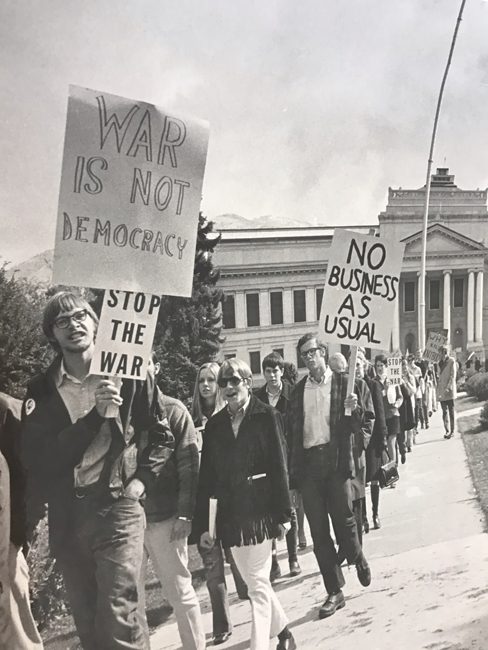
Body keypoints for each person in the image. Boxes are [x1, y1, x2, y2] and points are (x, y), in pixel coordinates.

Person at [20, 291, 178, 650]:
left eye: (80, 316)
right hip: (69, 518)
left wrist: (140, 481)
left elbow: (161, 435)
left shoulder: (130, 374)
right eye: (62, 321)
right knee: (90, 627)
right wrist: (96, 417)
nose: (74, 325)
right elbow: (41, 460)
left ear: (96, 323)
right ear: (52, 334)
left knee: (117, 616)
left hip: (116, 509)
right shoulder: (41, 390)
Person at [194, 359, 296, 650]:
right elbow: (207, 479)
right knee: (254, 585)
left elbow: (280, 467)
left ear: (248, 383)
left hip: (261, 514)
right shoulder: (213, 427)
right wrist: (205, 525)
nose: (228, 387)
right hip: (231, 520)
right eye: (224, 382)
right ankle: (286, 635)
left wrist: (284, 515)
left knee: (259, 586)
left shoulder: (267, 416)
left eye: (235, 381)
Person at [286, 333, 374, 620]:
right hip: (310, 466)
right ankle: (335, 590)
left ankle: (358, 556)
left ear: (323, 352)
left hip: (335, 464)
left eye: (312, 352)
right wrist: (294, 478)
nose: (308, 358)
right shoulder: (298, 392)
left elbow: (353, 426)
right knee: (319, 533)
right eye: (304, 354)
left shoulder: (341, 384)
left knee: (346, 522)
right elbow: (292, 435)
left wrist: (354, 407)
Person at [137, 356, 206, 650]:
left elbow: (189, 469)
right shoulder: (116, 413)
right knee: (131, 602)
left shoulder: (174, 411)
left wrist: (185, 515)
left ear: (156, 366)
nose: (139, 370)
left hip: (165, 518)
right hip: (128, 520)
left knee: (179, 591)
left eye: (145, 362)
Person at [189, 361, 246, 645]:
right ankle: (221, 623)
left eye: (212, 380)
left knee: (239, 563)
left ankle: (257, 607)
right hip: (203, 502)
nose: (207, 386)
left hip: (229, 499)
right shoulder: (189, 420)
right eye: (202, 381)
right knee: (212, 566)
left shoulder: (230, 416)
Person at [1, 392, 43, 649]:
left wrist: (17, 539)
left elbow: (30, 482)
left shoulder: (9, 412)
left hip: (7, 545)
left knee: (15, 632)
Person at [254, 352, 301, 579]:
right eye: (268, 371)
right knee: (269, 512)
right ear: (264, 373)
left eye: (276, 370)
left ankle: (292, 558)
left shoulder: (292, 395)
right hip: (266, 461)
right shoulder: (257, 398)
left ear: (282, 371)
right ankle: (273, 561)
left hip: (289, 459)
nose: (272, 375)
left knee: (288, 508)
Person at [357, 354, 388, 531]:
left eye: (359, 365)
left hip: (374, 439)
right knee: (360, 481)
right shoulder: (349, 387)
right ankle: (363, 518)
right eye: (354, 366)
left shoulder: (373, 385)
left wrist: (383, 437)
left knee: (375, 479)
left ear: (365, 366)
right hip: (358, 441)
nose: (357, 369)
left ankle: (375, 514)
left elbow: (380, 412)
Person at [374, 354, 403, 466]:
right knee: (385, 444)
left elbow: (400, 396)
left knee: (391, 441)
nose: (380, 368)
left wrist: (397, 403)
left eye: (382, 365)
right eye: (377, 366)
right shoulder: (374, 382)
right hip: (381, 417)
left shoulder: (392, 379)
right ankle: (391, 466)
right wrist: (384, 391)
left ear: (386, 366)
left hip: (393, 414)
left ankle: (392, 470)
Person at [437, 346, 457, 439]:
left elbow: (453, 375)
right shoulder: (439, 363)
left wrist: (448, 387)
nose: (439, 354)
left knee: (451, 411)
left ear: (444, 352)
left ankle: (452, 431)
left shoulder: (451, 361)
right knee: (444, 411)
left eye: (440, 353)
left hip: (449, 390)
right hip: (441, 391)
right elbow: (439, 376)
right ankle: (447, 430)